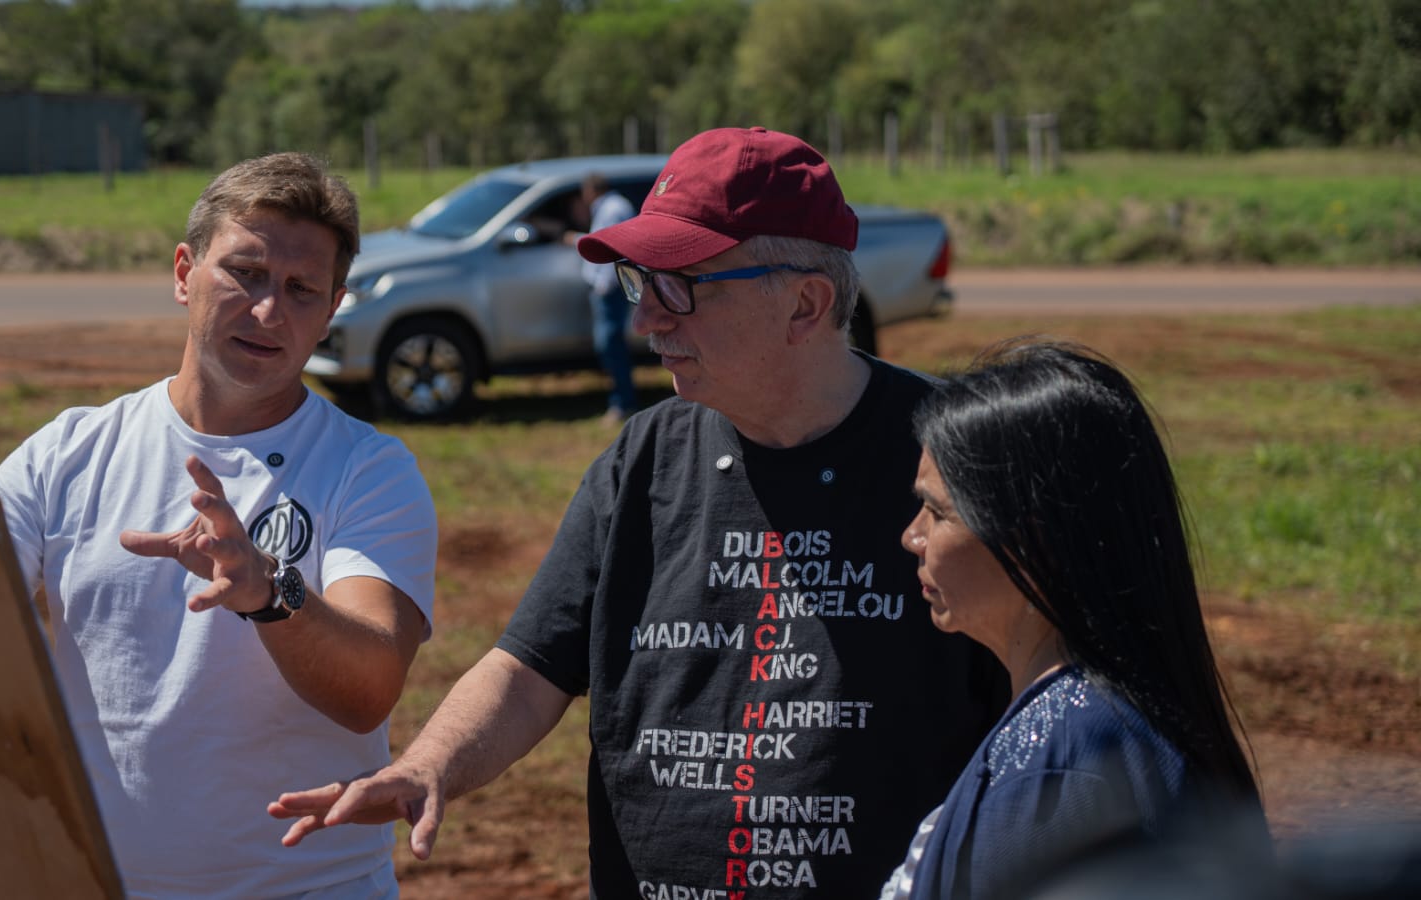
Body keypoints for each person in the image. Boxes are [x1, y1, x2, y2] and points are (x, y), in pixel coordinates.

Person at [271, 126, 1008, 897]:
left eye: (682, 285)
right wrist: (430, 767)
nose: (648, 319)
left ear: (805, 302)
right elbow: (529, 670)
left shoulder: (958, 457)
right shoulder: (644, 458)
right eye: (641, 281)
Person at [0, 153, 438, 899]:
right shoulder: (69, 452)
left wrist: (268, 590)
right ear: (184, 273)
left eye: (301, 290)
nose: (270, 310)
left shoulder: (369, 470)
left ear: (333, 306)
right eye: (244, 272)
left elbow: (369, 687)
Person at [883, 338, 1269, 899]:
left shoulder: (1071, 766)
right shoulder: (1085, 727)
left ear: (1034, 536)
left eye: (937, 511)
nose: (911, 536)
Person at [567, 172, 639, 424]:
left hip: (609, 289)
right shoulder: (613, 206)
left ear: (589, 191)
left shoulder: (610, 209)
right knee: (609, 343)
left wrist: (604, 286)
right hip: (610, 287)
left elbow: (610, 249)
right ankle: (621, 400)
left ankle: (623, 402)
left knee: (610, 343)